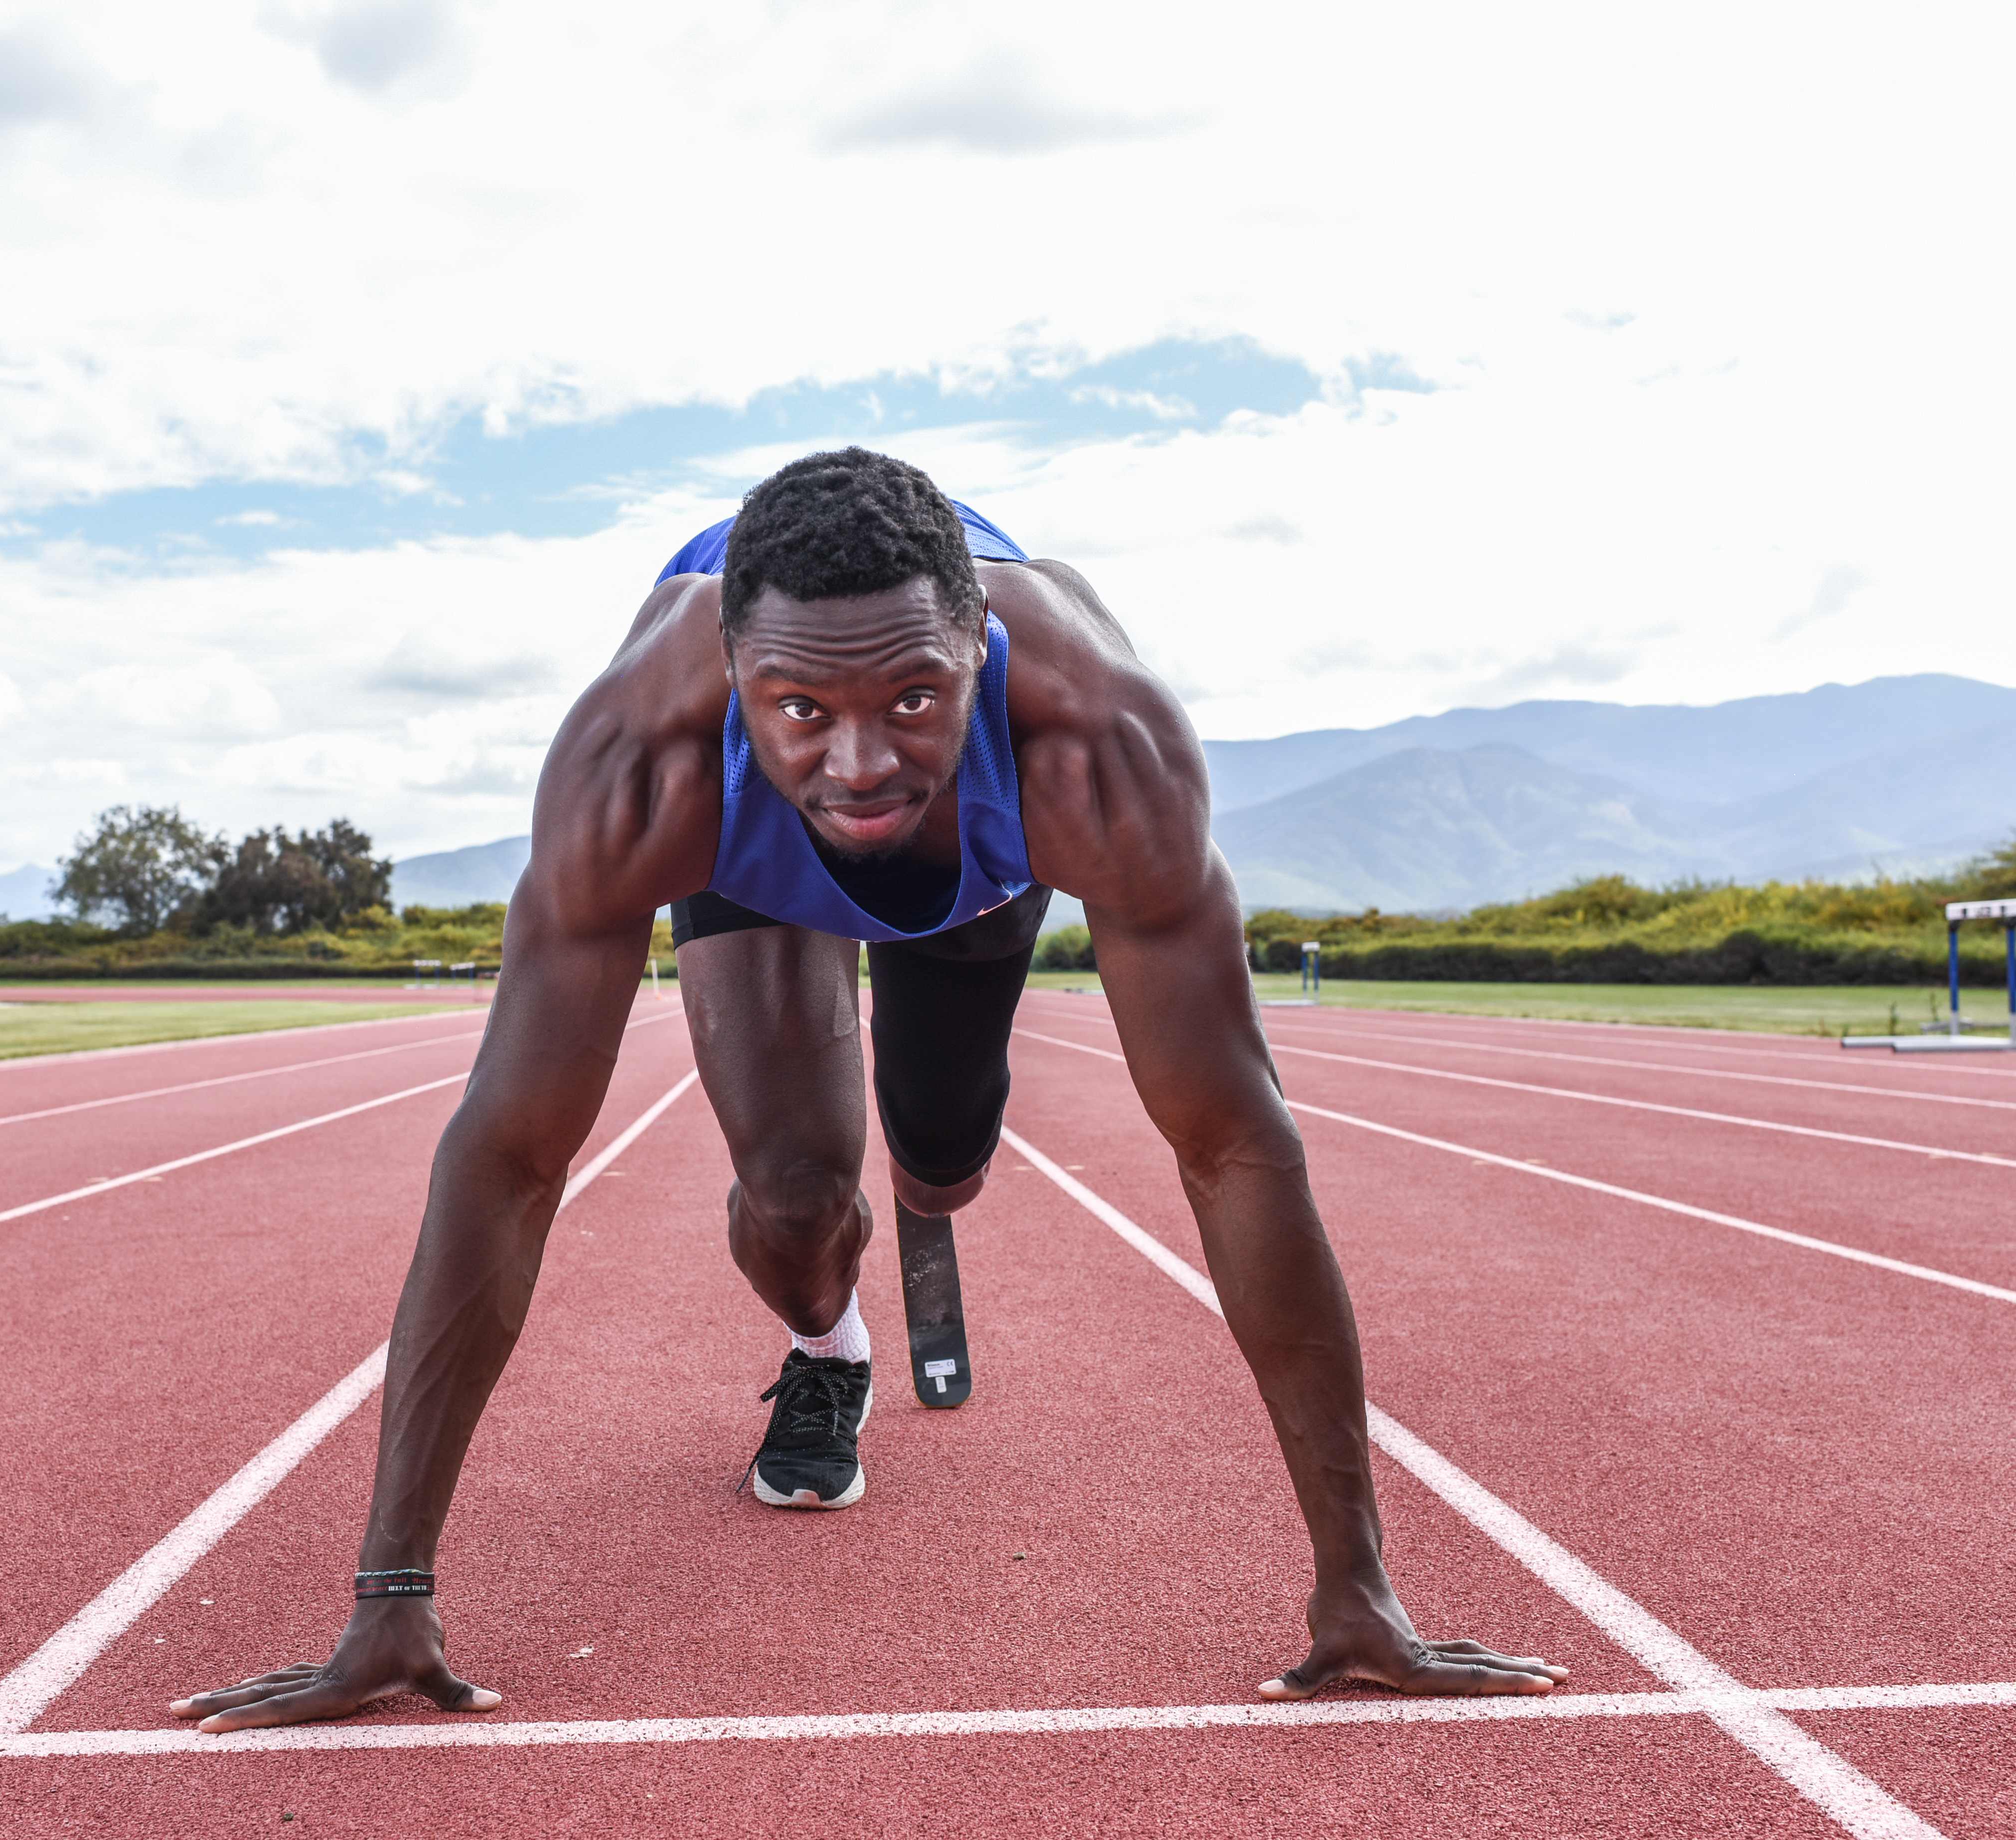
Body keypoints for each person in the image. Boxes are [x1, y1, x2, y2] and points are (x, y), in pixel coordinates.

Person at [172, 448, 1566, 1728]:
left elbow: (1234, 1146)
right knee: (790, 1202)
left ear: (982, 652)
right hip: (750, 861)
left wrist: (1358, 1586)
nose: (858, 763)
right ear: (730, 674)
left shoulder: (1096, 744)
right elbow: (512, 1155)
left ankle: (926, 1187)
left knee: (942, 1154)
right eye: (798, 709)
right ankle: (834, 1350)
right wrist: (390, 1593)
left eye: (912, 697)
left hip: (986, 853)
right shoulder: (641, 763)